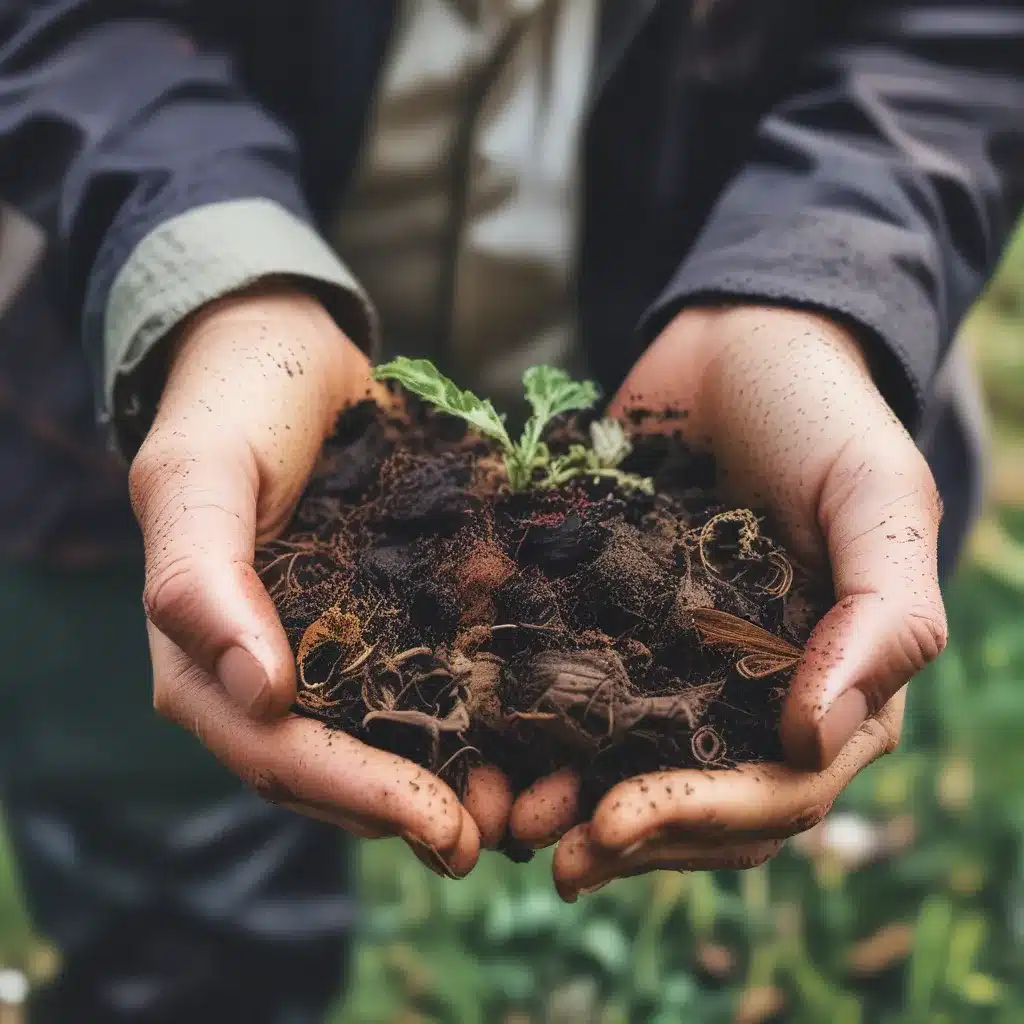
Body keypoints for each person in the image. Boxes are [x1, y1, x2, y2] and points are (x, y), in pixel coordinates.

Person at [0, 0, 1021, 1019]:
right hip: (142, 392)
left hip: (699, 349)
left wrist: (814, 291)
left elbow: (957, 41)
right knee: (169, 903)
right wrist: (209, 280)